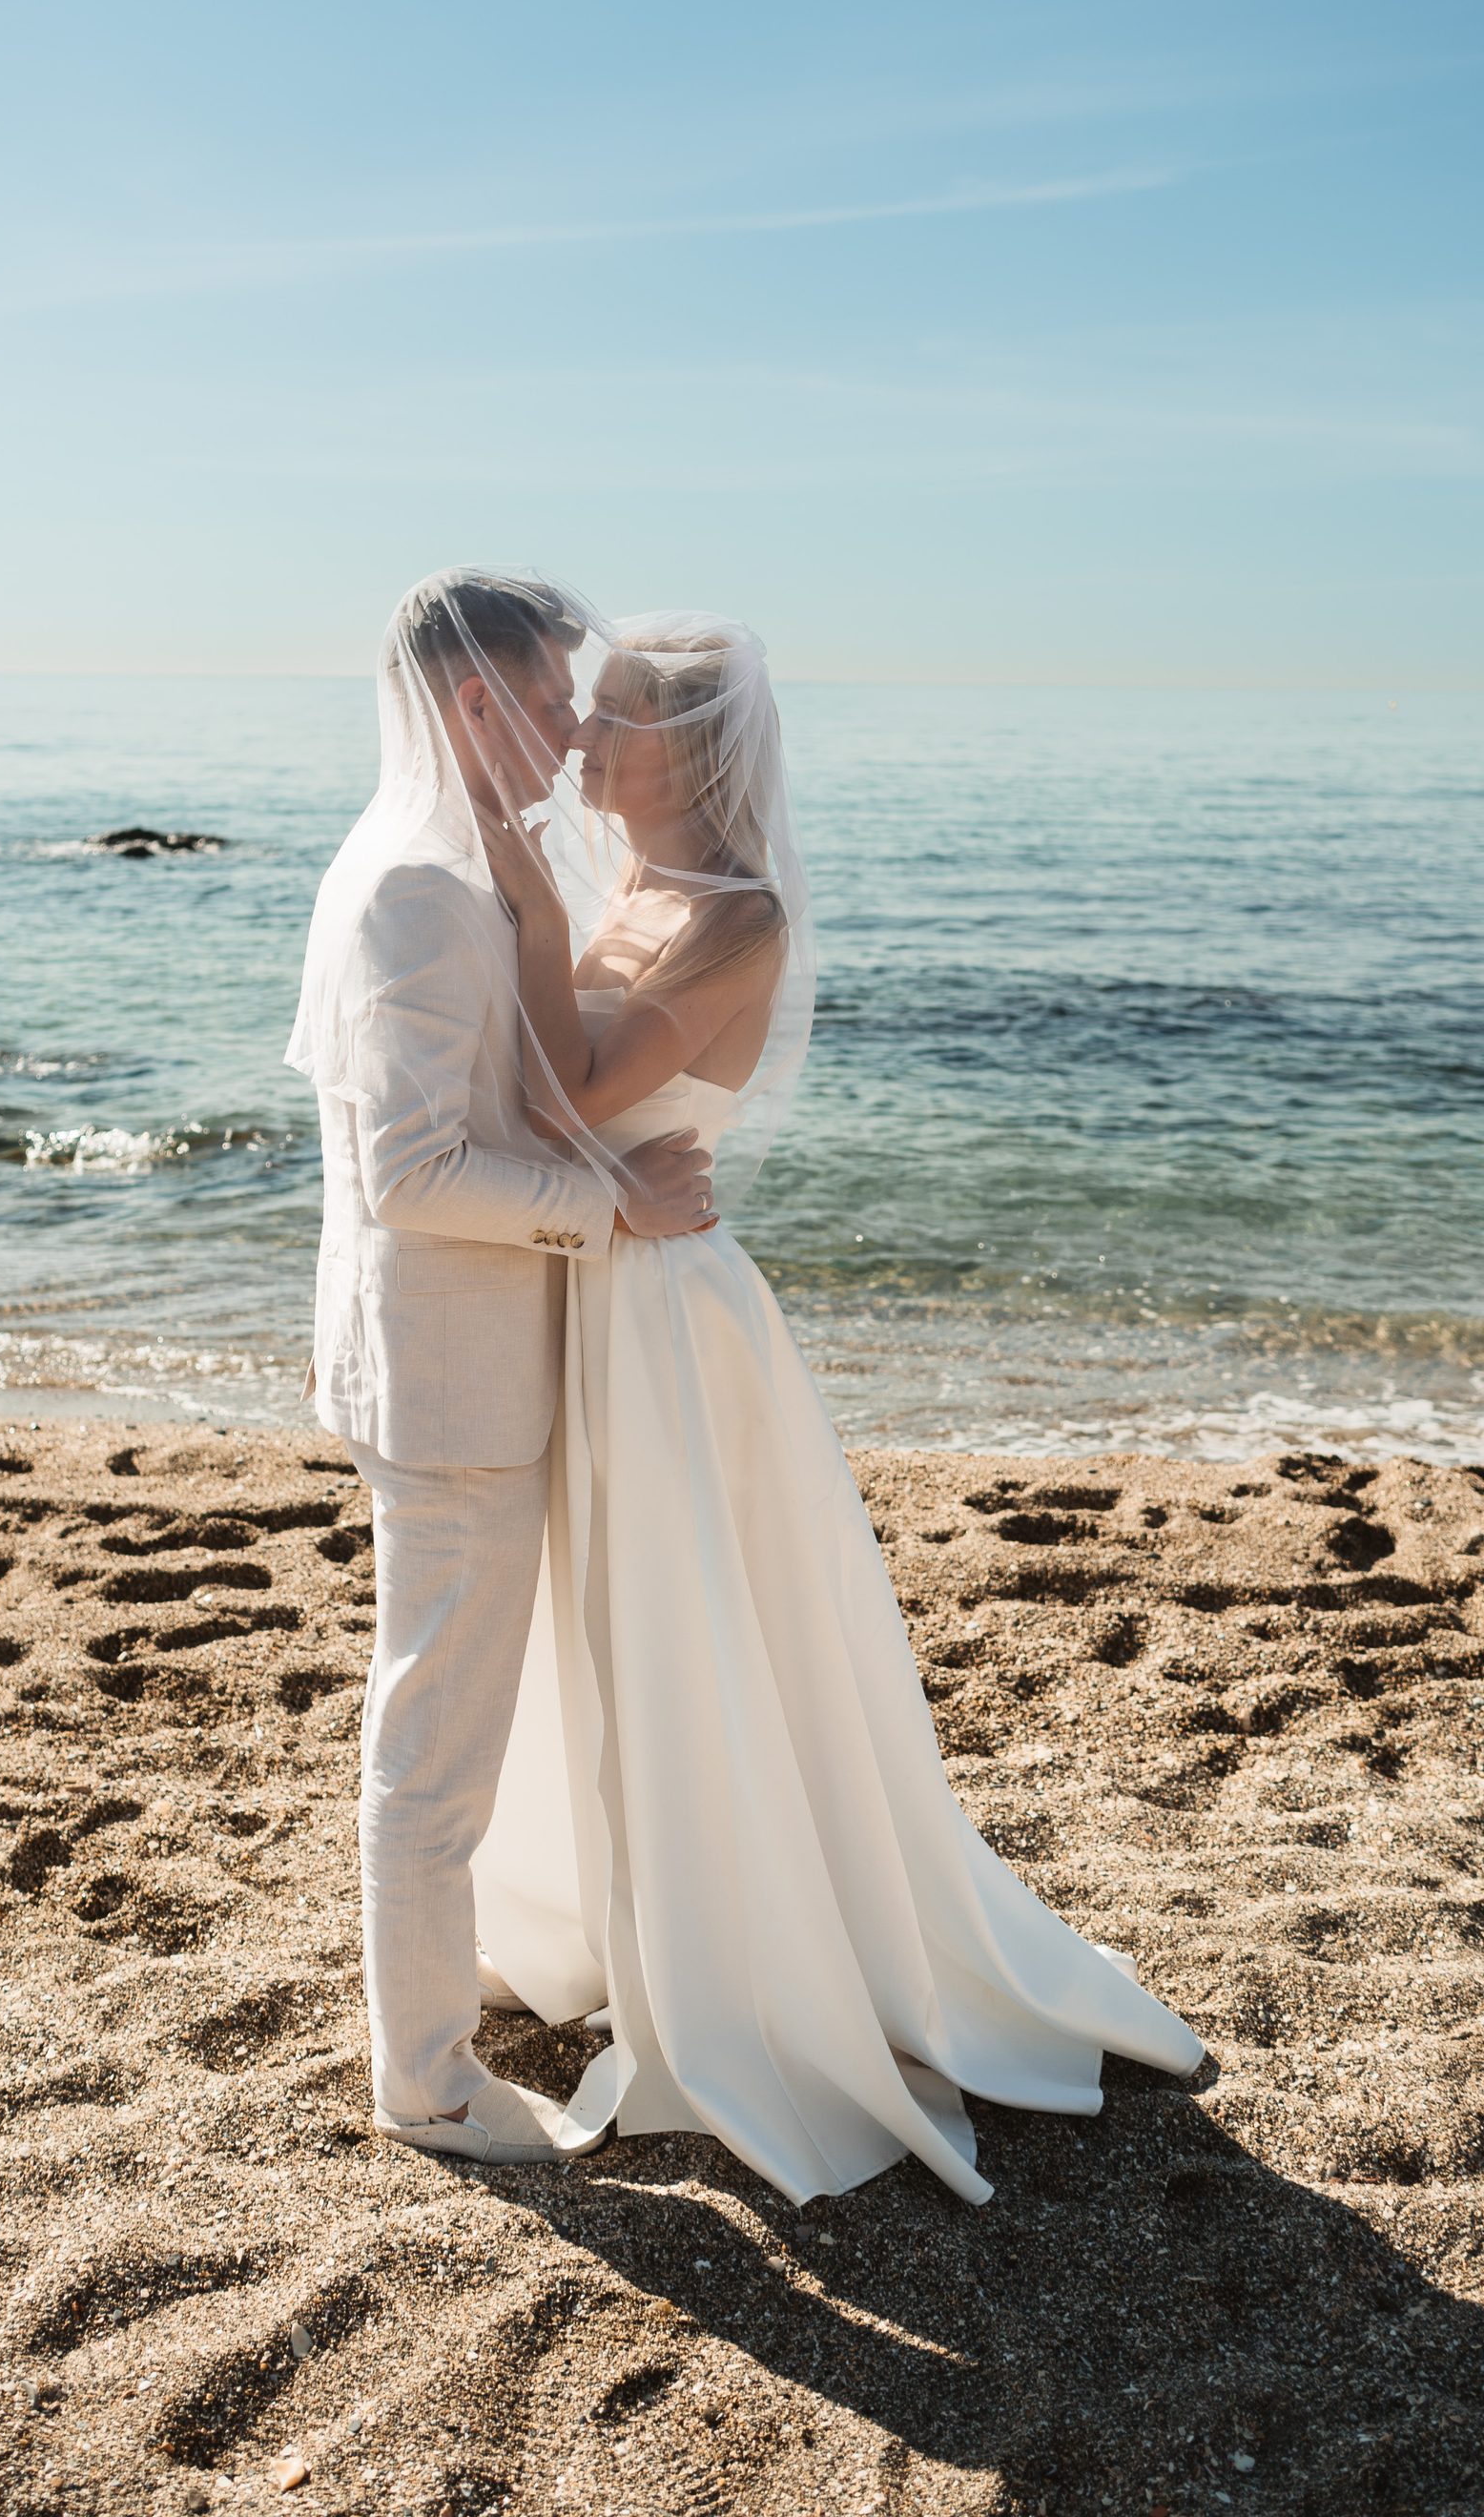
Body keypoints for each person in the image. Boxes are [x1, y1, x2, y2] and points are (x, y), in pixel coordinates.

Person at [469, 617, 1205, 2204]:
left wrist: (520, 899)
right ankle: (622, 1908)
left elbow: (573, 1091)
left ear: (692, 746)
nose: (579, 736)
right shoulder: (630, 887)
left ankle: (749, 1956)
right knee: (596, 1620)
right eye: (582, 709)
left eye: (613, 715)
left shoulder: (736, 915)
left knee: (692, 1622)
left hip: (666, 1319)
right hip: (597, 1277)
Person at [285, 569, 714, 2168]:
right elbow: (411, 1172)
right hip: (448, 1384)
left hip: (443, 1365)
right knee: (435, 1738)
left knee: (446, 1716)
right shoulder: (412, 885)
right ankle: (428, 2083)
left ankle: (442, 1990)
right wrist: (615, 1207)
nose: (570, 731)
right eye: (547, 701)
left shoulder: (450, 857)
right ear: (476, 705)